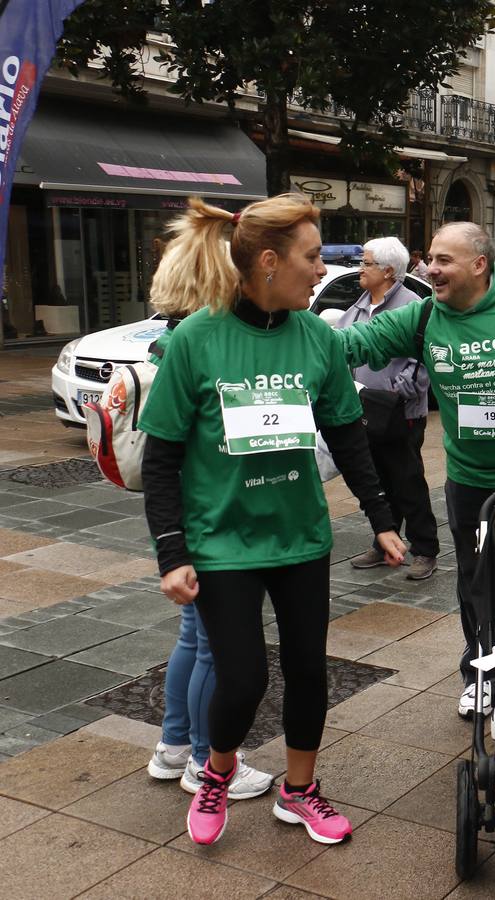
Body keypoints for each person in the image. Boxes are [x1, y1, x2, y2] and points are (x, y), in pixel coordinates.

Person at [140, 194, 407, 847]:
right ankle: (218, 771)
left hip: (299, 539)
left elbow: (348, 438)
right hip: (223, 542)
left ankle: (299, 790)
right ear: (267, 261)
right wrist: (172, 553)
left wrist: (381, 519)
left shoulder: (316, 338)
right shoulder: (195, 340)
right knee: (243, 675)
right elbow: (161, 461)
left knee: (309, 670)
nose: (321, 271)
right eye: (312, 257)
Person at [336, 222, 495, 720]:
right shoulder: (424, 316)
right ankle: (481, 668)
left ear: (479, 264)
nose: (431, 268)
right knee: (476, 579)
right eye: (430, 258)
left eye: (444, 260)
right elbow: (355, 344)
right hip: (469, 479)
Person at [143, 241, 273, 804]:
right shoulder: (197, 341)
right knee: (215, 647)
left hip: (186, 508)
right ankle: (203, 757)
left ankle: (174, 746)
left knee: (194, 638)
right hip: (206, 514)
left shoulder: (173, 337)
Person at [339, 237, 439, 581]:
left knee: (407, 480)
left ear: (387, 271)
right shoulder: (359, 305)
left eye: (366, 263)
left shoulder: (411, 306)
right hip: (365, 407)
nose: (360, 269)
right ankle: (386, 543)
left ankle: (425, 549)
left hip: (401, 413)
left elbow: (423, 358)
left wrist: (401, 390)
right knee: (379, 480)